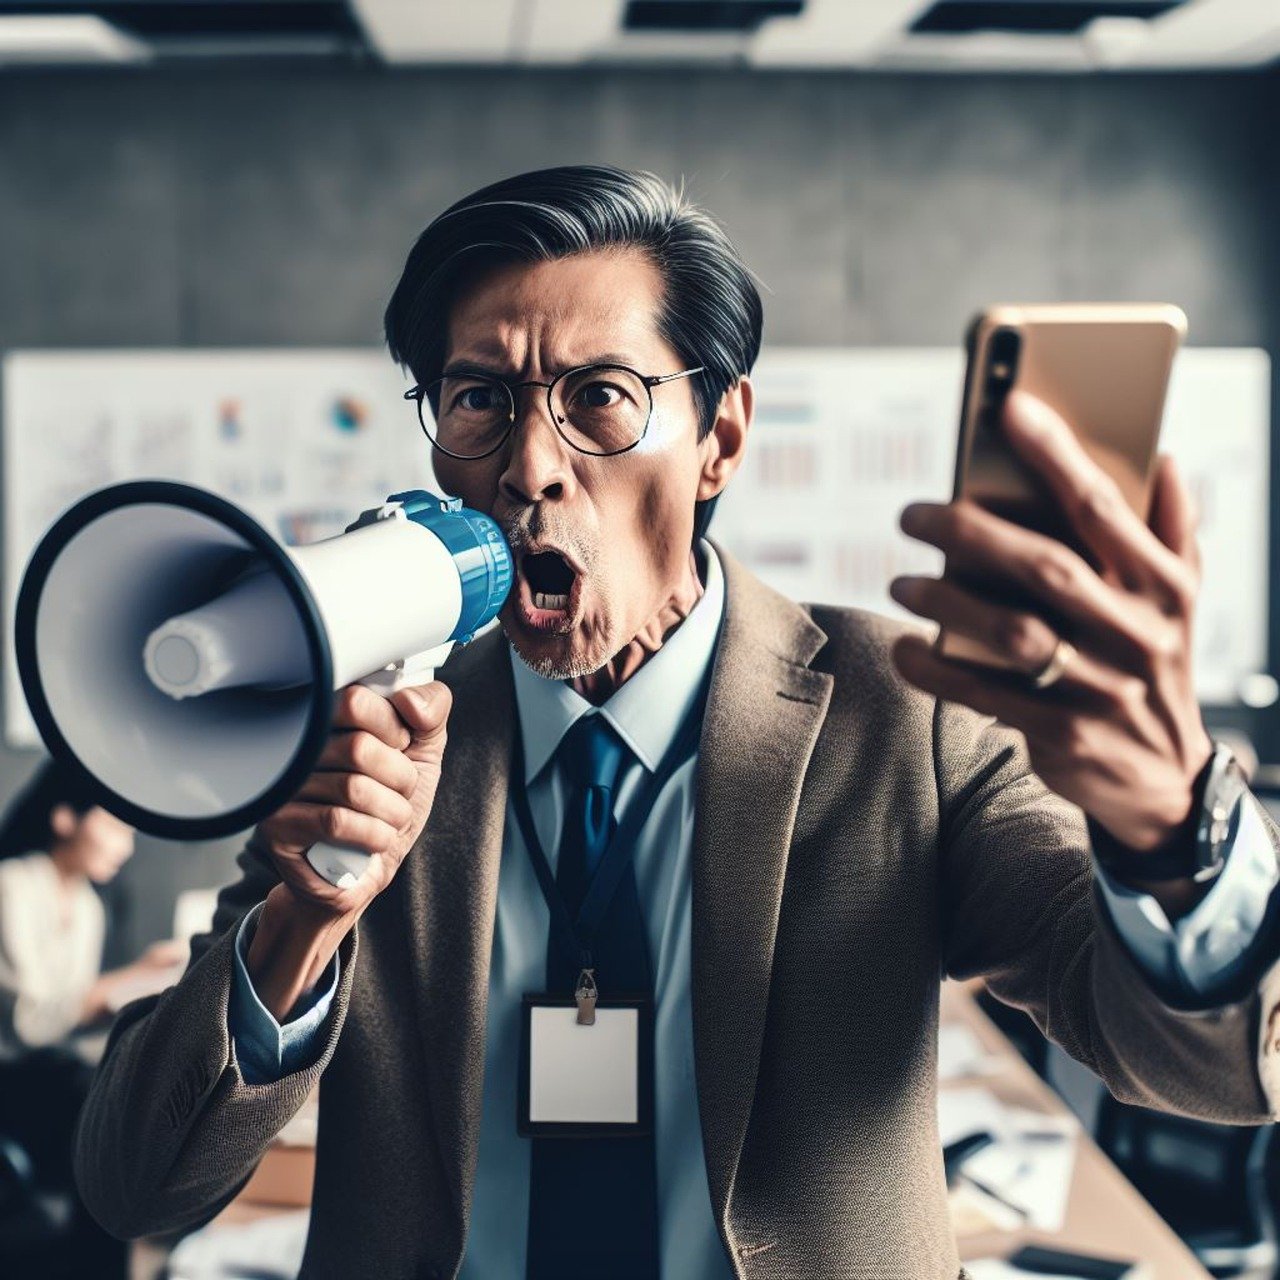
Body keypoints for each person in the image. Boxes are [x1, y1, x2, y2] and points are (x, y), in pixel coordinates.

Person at [74, 167, 1280, 1280]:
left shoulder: (896, 708)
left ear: (721, 438)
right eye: (477, 399)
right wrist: (304, 919)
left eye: (599, 397)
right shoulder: (377, 729)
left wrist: (1169, 824)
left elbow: (1220, 1064)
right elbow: (135, 1183)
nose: (529, 463)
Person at [0, 761, 175, 1278]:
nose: (127, 842)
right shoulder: (11, 886)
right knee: (93, 1096)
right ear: (64, 819)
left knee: (127, 1079)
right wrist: (125, 981)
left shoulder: (88, 906)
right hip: (12, 1077)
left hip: (47, 1073)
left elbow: (72, 1021)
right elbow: (28, 1022)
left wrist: (137, 998)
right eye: (116, 825)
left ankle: (112, 1255)